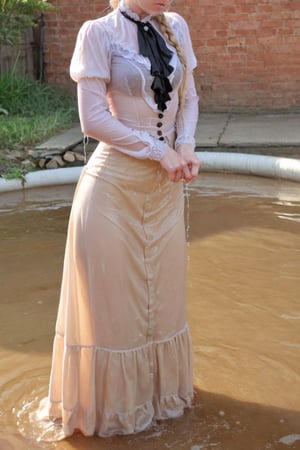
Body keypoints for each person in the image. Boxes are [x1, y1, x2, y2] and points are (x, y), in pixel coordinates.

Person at [45, 0, 200, 439]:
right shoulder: (98, 33)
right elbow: (92, 120)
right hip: (111, 193)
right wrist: (159, 152)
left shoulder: (177, 26)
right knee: (113, 314)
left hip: (165, 192)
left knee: (164, 308)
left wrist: (185, 145)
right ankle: (111, 417)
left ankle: (158, 406)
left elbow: (190, 97)